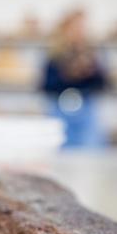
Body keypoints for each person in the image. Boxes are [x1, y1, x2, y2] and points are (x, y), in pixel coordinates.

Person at [41, 10, 108, 147]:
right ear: (65, 29)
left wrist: (89, 73)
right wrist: (67, 75)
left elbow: (103, 84)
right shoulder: (54, 55)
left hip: (86, 109)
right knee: (59, 149)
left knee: (90, 149)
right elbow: (46, 85)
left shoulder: (92, 55)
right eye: (75, 27)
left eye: (82, 27)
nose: (79, 31)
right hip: (59, 109)